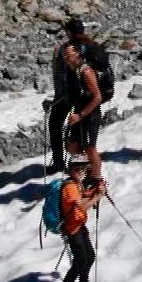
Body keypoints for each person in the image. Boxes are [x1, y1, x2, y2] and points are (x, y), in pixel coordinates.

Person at [49, 155, 105, 282]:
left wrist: (94, 192)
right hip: (72, 229)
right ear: (70, 169)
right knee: (80, 261)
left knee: (90, 257)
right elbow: (80, 206)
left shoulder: (76, 184)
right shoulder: (70, 187)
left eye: (83, 167)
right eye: (76, 168)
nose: (80, 171)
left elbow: (82, 198)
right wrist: (97, 196)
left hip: (79, 226)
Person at [47, 18, 98, 173]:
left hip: (68, 97)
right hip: (88, 99)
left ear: (69, 32)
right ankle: (85, 166)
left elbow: (61, 76)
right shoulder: (91, 47)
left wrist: (58, 97)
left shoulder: (67, 49)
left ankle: (60, 163)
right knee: (84, 135)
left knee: (55, 125)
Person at [60, 41, 106, 182]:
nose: (66, 58)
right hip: (79, 114)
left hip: (90, 114)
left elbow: (98, 97)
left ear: (78, 53)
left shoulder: (86, 71)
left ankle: (97, 179)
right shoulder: (73, 71)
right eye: (64, 55)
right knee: (73, 146)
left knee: (90, 148)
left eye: (69, 54)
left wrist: (80, 115)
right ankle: (85, 171)